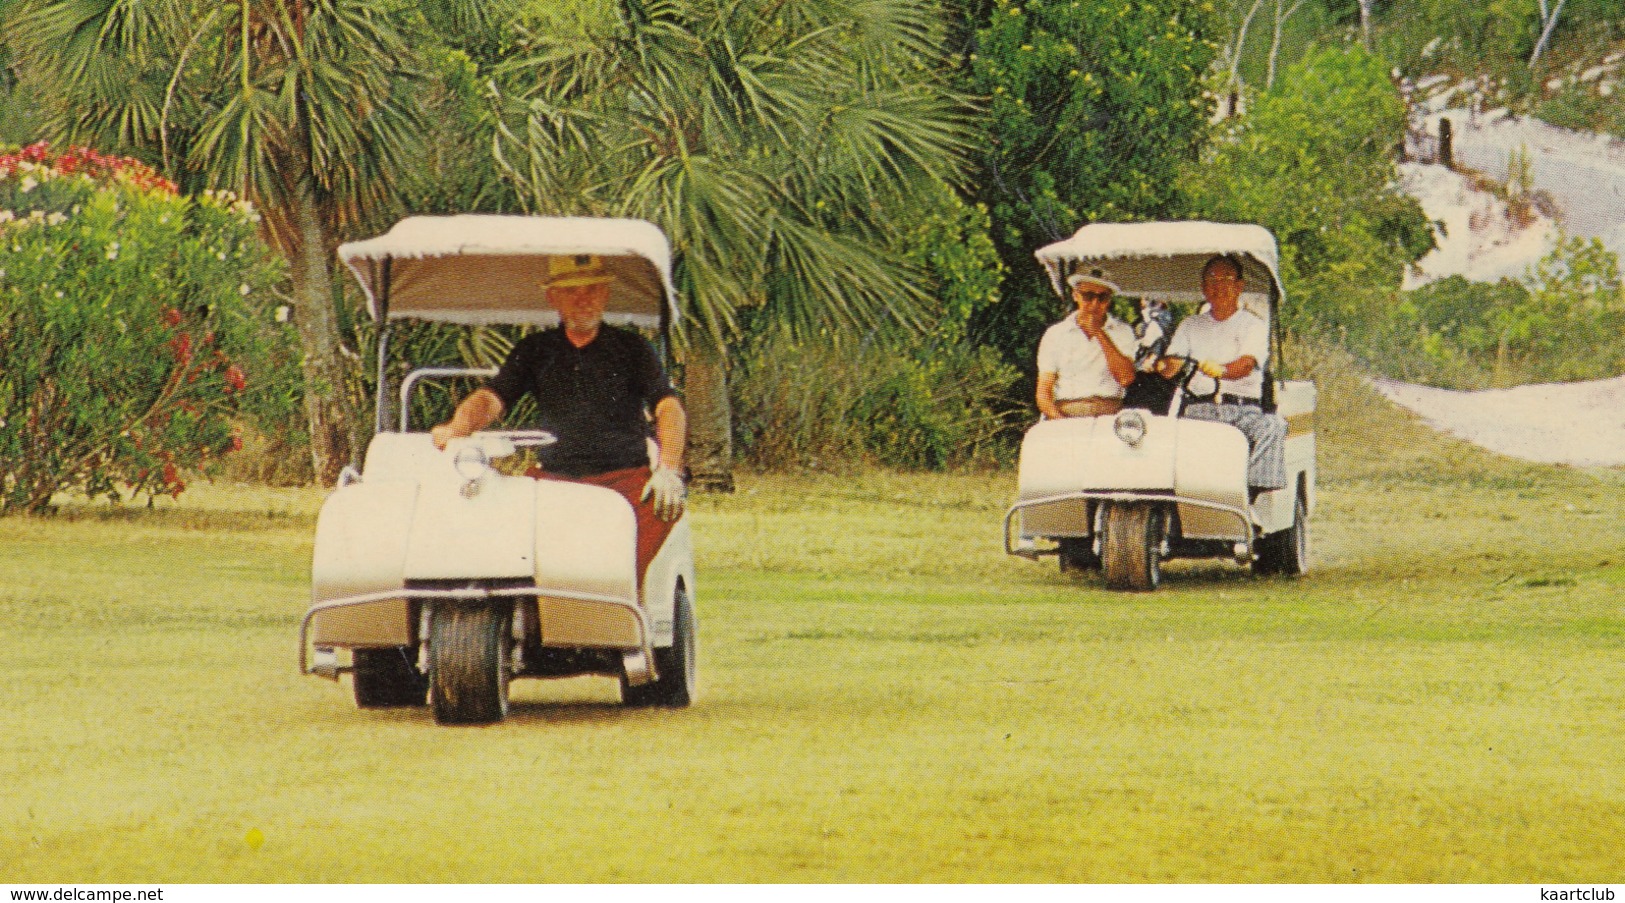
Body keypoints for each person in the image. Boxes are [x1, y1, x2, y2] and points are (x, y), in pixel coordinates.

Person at [430, 253, 688, 584]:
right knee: (492, 513)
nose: (584, 300)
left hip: (623, 480)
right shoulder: (535, 348)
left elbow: (668, 407)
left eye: (592, 289)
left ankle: (617, 598)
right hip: (552, 481)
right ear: (553, 298)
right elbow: (490, 399)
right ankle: (523, 609)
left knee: (663, 506)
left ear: (605, 293)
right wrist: (457, 428)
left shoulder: (632, 348)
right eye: (571, 291)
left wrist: (668, 468)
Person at [1155, 254, 1287, 493]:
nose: (1219, 286)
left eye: (1226, 279)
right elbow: (1170, 367)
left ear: (1239, 286)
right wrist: (1159, 364)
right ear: (1204, 288)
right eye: (1212, 279)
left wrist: (1222, 371)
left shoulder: (1253, 325)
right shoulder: (1190, 325)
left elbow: (1246, 365)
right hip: (1198, 410)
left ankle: (1250, 499)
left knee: (1273, 427)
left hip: (1242, 411)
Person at [1035, 268, 1137, 419]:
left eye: (1102, 297)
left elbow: (1125, 378)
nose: (1095, 304)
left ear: (1109, 300)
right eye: (1088, 296)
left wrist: (1099, 333)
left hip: (1109, 413)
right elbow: (1044, 391)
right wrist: (1061, 421)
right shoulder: (1055, 334)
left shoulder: (1123, 331)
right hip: (1066, 412)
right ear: (1075, 295)